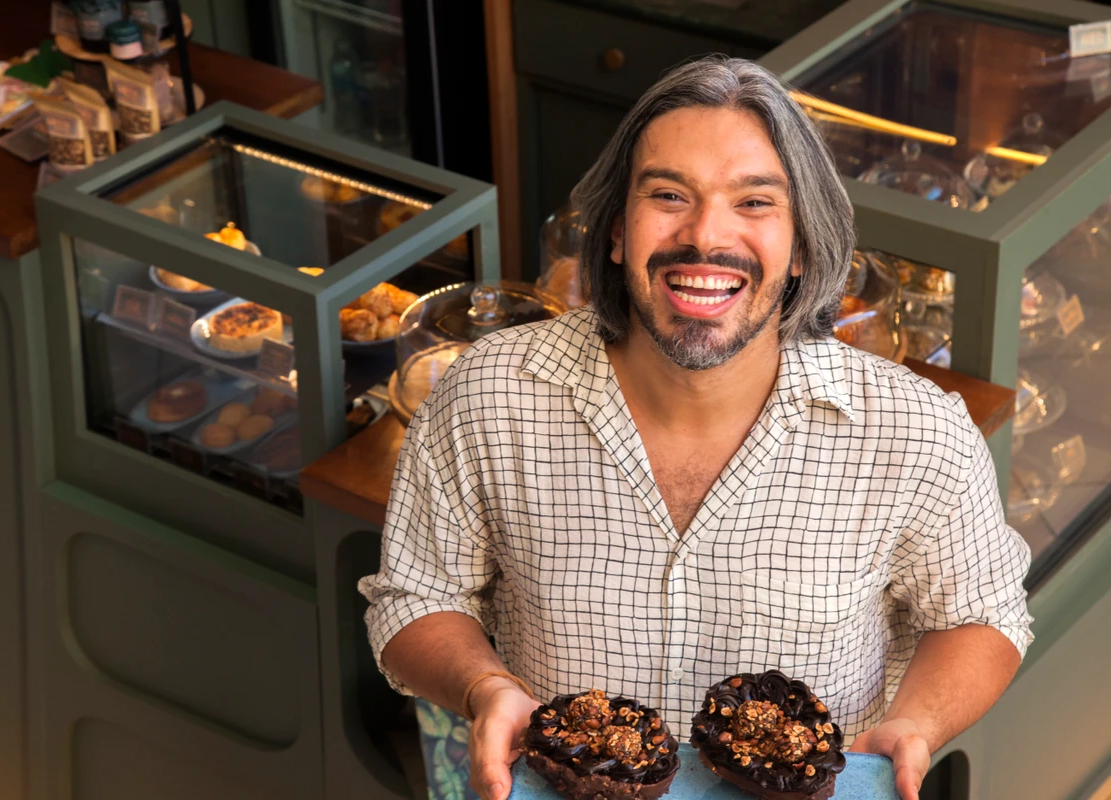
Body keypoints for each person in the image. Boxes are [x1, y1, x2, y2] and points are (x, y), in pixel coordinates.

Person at [359, 56, 1032, 800]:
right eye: (670, 194)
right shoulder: (489, 395)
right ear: (616, 230)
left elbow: (984, 616)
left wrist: (918, 721)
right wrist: (483, 684)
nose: (706, 236)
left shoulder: (917, 432)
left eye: (754, 203)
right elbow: (417, 598)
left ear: (803, 246)